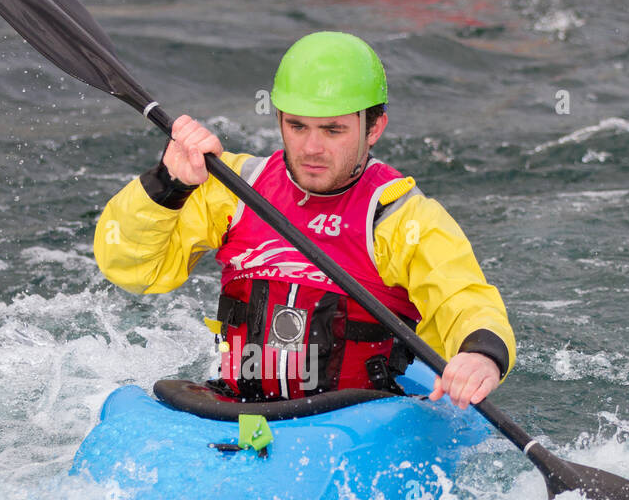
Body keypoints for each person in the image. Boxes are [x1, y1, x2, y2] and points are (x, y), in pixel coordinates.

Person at [92, 31, 515, 407]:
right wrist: (168, 183)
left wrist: (480, 355)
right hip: (238, 406)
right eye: (297, 127)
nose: (312, 147)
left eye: (332, 131)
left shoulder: (399, 217)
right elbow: (131, 269)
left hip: (359, 418)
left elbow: (466, 301)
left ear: (374, 128)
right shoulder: (236, 189)